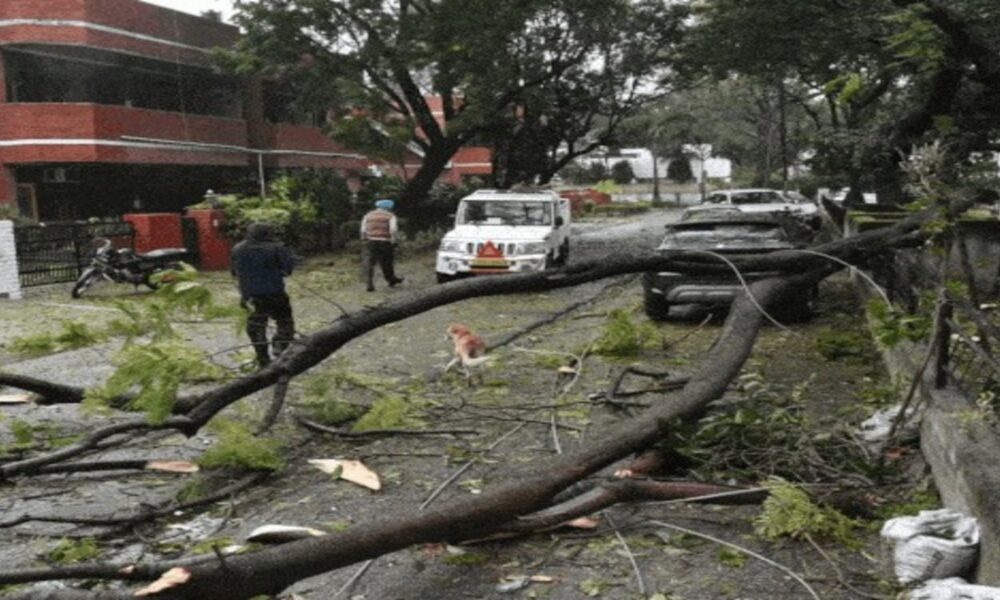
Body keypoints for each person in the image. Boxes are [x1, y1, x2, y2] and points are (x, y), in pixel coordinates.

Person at [231, 222, 296, 368]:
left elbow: (234, 272)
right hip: (275, 293)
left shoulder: (238, 249)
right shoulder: (277, 248)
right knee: (285, 322)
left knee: (255, 328)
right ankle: (279, 346)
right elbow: (287, 270)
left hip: (250, 297)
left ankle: (263, 359)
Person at [360, 198, 404, 291]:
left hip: (370, 241)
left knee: (370, 263)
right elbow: (393, 230)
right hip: (385, 241)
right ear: (388, 208)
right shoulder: (390, 216)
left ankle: (369, 283)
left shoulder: (368, 215)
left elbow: (363, 229)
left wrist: (364, 238)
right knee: (386, 262)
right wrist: (393, 240)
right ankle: (391, 279)